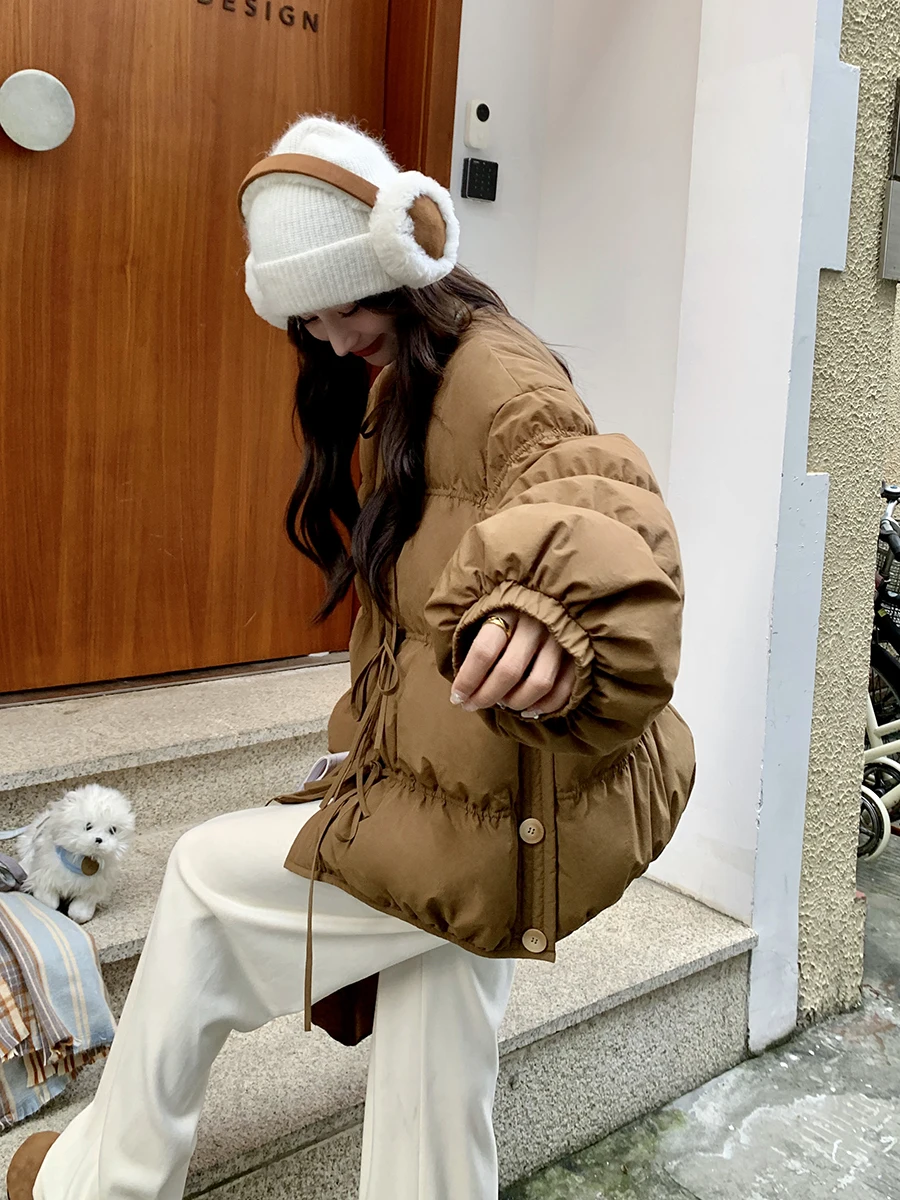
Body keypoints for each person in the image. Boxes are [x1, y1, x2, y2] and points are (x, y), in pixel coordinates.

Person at [8, 116, 695, 1200]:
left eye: (344, 302)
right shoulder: (408, 383)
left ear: (407, 265)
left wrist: (553, 609)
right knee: (437, 1056)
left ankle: (97, 1185)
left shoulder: (492, 371)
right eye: (306, 316)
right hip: (487, 783)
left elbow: (593, 489)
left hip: (513, 798)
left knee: (201, 878)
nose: (328, 336)